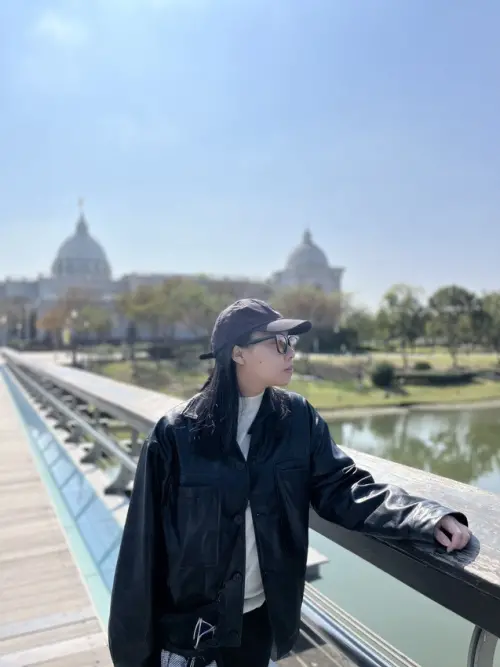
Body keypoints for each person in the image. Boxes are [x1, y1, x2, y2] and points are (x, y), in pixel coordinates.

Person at [108, 298, 471, 667]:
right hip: (190, 631)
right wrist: (134, 657)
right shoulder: (176, 434)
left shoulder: (297, 419)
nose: (291, 351)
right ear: (238, 353)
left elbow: (342, 487)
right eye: (278, 343)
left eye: (291, 342)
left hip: (259, 623)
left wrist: (425, 517)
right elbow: (142, 549)